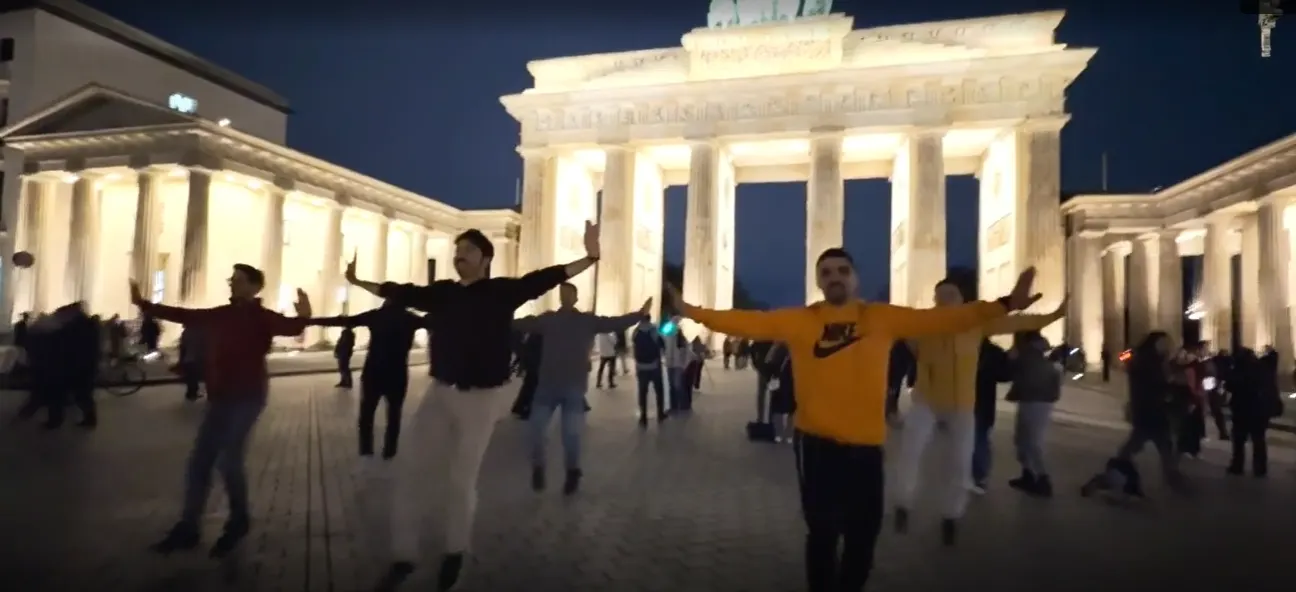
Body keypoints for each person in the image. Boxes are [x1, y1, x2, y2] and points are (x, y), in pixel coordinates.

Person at [666, 247, 1042, 592]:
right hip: (816, 445)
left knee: (864, 536)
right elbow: (745, 322)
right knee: (823, 534)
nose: (835, 277)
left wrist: (1007, 304)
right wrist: (690, 310)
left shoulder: (881, 317)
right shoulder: (801, 320)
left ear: (855, 278)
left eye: (842, 271)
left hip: (867, 447)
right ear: (818, 281)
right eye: (827, 272)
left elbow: (946, 319)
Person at [348, 223, 600, 591]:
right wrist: (358, 282)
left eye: (468, 250)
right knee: (410, 471)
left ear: (485, 258)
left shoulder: (501, 292)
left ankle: (455, 551)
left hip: (481, 399)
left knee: (461, 479)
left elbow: (546, 278)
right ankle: (403, 555)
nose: (459, 255)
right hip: (440, 393)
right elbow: (400, 292)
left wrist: (590, 258)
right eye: (458, 250)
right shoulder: (443, 293)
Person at [148, 264, 312, 558]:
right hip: (220, 397)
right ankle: (189, 526)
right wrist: (144, 305)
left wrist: (304, 315)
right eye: (231, 279)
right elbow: (185, 315)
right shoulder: (220, 314)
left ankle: (238, 520)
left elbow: (292, 328)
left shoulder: (262, 317)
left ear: (254, 287)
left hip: (248, 396)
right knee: (199, 461)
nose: (232, 284)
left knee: (228, 459)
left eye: (238, 280)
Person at [891, 278, 1064, 545]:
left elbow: (1019, 322)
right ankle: (903, 504)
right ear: (935, 299)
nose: (947, 299)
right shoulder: (924, 322)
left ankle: (951, 515)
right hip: (926, 402)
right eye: (941, 294)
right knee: (909, 454)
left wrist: (1056, 315)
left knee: (961, 463)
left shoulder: (976, 323)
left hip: (962, 406)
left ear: (962, 299)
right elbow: (897, 331)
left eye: (952, 294)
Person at [515, 286, 649, 494]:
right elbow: (521, 324)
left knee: (571, 435)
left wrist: (639, 315)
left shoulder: (586, 321)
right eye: (562, 293)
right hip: (548, 386)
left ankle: (572, 471)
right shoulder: (548, 319)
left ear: (576, 297)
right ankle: (538, 466)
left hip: (572, 388)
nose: (565, 296)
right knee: (536, 431)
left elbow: (615, 322)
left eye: (569, 293)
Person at [305, 298, 425, 477]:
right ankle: (389, 452)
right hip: (397, 373)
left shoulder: (376, 316)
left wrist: (310, 321)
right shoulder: (410, 318)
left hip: (373, 372)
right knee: (394, 415)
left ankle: (366, 452)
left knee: (366, 414)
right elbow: (439, 323)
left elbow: (344, 320)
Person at [1081, 331, 1183, 499]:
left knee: (1162, 451)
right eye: (1163, 343)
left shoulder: (1160, 361)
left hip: (1156, 413)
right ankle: (1105, 480)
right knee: (1132, 452)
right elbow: (1123, 358)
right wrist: (1131, 353)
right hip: (1146, 413)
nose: (1166, 346)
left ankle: (1174, 482)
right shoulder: (1143, 359)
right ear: (1153, 343)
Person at [1004, 330, 1061, 497]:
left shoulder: (1026, 355)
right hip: (1038, 400)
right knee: (1025, 440)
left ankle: (1042, 478)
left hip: (1033, 400)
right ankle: (1029, 474)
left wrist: (1011, 356)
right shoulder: (1039, 354)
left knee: (1031, 441)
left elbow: (1009, 370)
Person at [969, 337, 1011, 494]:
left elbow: (1005, 374)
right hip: (980, 402)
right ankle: (976, 476)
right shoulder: (993, 351)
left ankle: (979, 476)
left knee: (978, 440)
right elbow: (1005, 375)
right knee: (976, 439)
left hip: (978, 403)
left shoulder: (990, 352)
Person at [1225, 348, 1273, 477]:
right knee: (1259, 439)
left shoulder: (1238, 369)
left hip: (1242, 409)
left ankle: (1238, 465)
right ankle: (1260, 468)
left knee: (1239, 440)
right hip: (1259, 409)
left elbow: (1230, 385)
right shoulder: (1261, 369)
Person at [631, 317, 668, 425]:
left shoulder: (635, 331)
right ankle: (660, 414)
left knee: (642, 392)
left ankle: (643, 417)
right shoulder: (654, 330)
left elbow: (634, 346)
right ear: (649, 319)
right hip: (654, 366)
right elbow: (662, 345)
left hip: (641, 367)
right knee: (659, 391)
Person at [511, 333, 543, 420]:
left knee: (530, 383)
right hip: (537, 360)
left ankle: (520, 407)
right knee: (533, 384)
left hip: (534, 359)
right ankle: (524, 409)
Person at [178, 325, 206, 401]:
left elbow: (182, 347)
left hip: (189, 358)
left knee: (191, 376)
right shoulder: (199, 332)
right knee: (194, 376)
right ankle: (192, 393)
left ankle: (191, 393)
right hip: (197, 358)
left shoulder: (186, 332)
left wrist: (181, 360)